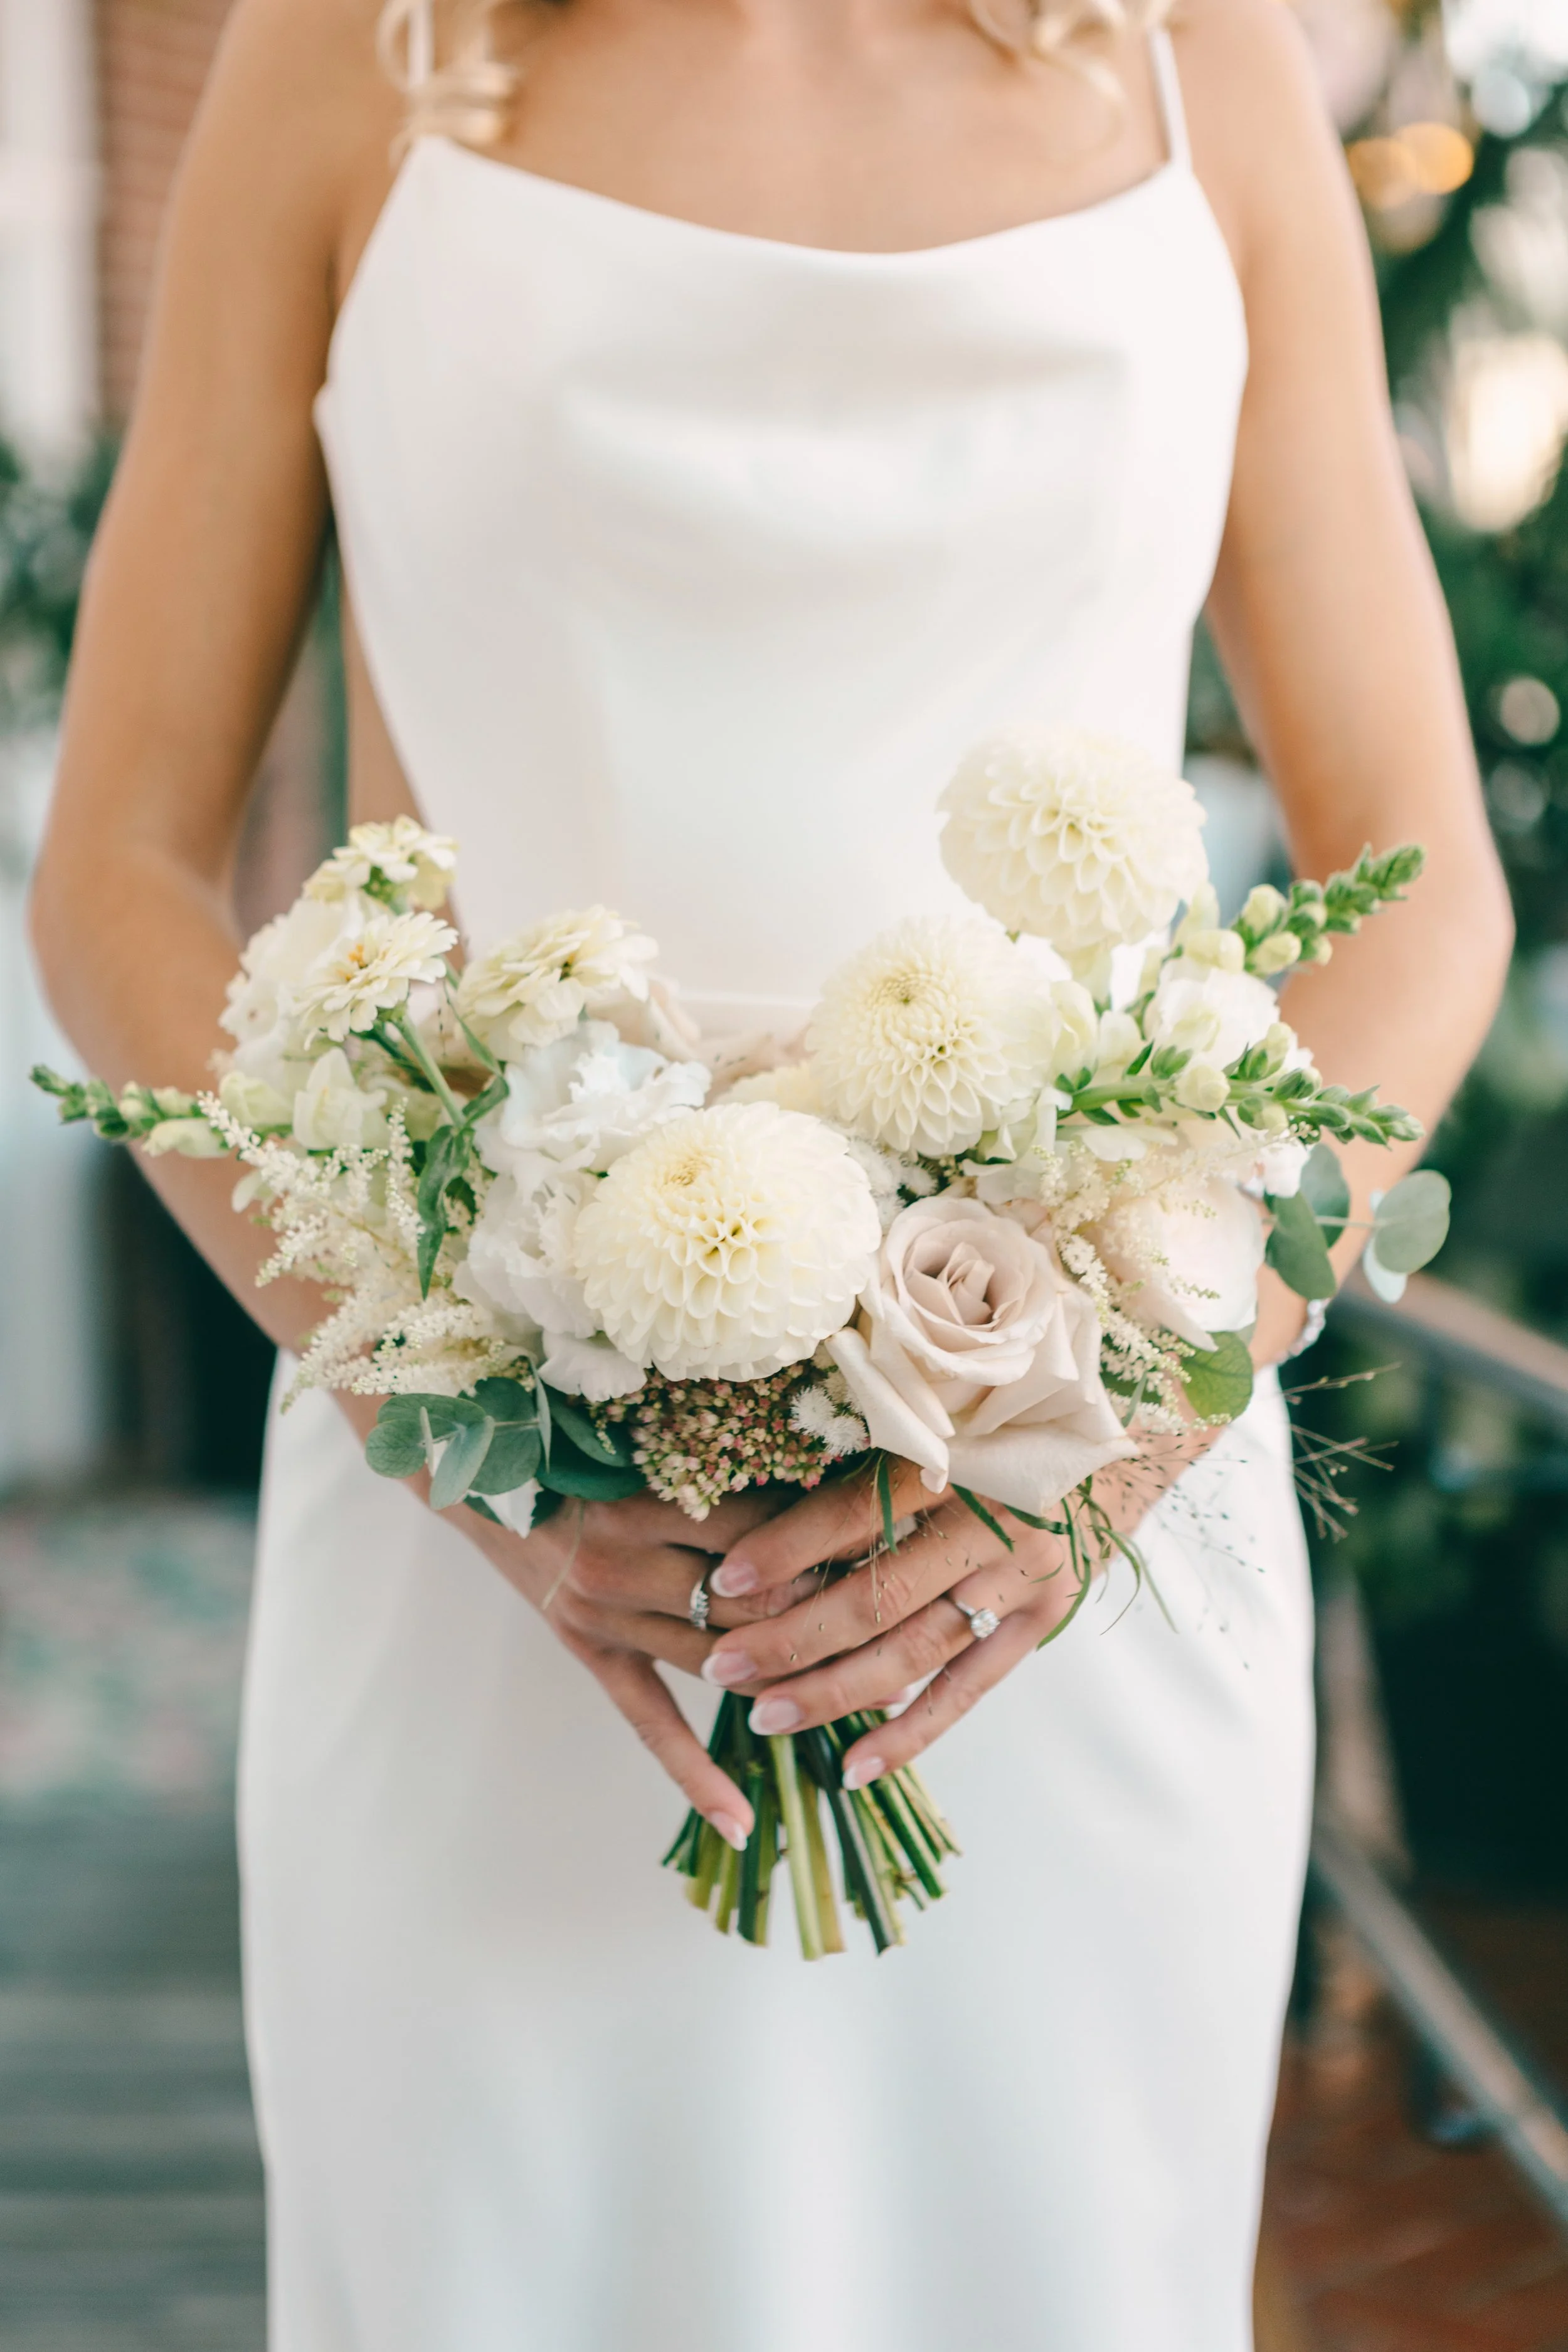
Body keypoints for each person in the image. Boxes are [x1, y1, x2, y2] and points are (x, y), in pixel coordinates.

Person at [31, 1, 1510, 2344]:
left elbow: (1422, 882)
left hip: (1061, 1534)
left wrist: (1110, 1435)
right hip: (521, 1539)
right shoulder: (351, 57)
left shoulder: (1194, 70)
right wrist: (429, 1397)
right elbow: (118, 857)